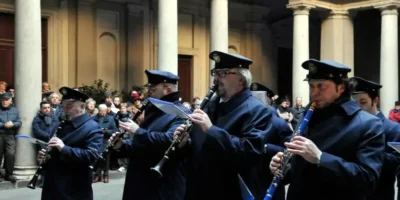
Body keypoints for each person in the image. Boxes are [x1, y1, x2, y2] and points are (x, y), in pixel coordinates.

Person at [269, 59, 385, 200]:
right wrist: (284, 169)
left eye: (321, 86)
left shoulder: (368, 124)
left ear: (341, 87)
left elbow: (368, 180)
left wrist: (320, 157)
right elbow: (301, 171)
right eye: (311, 86)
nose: (314, 93)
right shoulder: (307, 115)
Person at [173, 51, 274, 200]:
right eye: (215, 73)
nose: (216, 78)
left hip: (228, 192)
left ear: (241, 78)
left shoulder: (257, 110)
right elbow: (199, 147)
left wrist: (212, 130)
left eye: (223, 73)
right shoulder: (210, 105)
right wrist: (185, 144)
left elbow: (250, 152)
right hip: (197, 190)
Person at [109, 70, 191, 200]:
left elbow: (172, 140)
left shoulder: (181, 112)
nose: (148, 93)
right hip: (141, 183)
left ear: (167, 89)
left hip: (161, 186)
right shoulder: (155, 111)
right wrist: (122, 145)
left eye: (152, 89)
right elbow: (143, 144)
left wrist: (137, 132)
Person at [37, 87, 103, 200]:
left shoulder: (92, 127)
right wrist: (45, 158)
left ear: (82, 107)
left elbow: (92, 155)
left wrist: (63, 148)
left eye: (69, 106)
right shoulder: (60, 124)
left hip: (74, 188)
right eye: (64, 106)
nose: (65, 110)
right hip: (53, 186)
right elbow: (54, 152)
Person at [349, 76, 400, 200]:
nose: (358, 107)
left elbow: (396, 162)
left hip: (379, 193)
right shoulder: (349, 127)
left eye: (363, 102)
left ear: (375, 101)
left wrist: (370, 151)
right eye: (354, 103)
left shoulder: (392, 128)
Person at [250, 82, 293, 200]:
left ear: (268, 101)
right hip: (248, 180)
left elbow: (290, 151)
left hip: (269, 180)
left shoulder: (278, 123)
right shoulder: (246, 120)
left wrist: (266, 148)